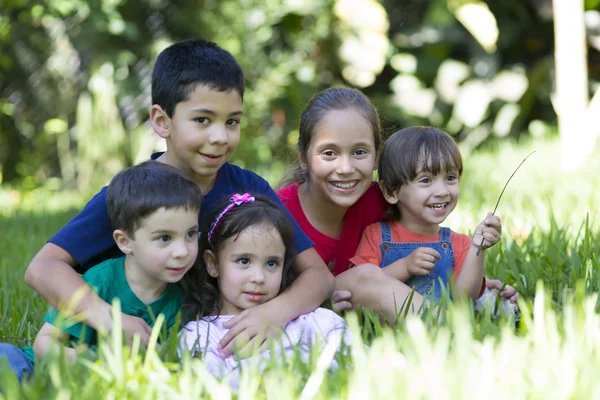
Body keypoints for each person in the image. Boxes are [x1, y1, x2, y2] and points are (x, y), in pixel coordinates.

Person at [24, 39, 334, 358]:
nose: (220, 137)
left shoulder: (249, 190)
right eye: (202, 120)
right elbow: (43, 268)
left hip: (210, 342)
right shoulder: (135, 194)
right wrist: (108, 318)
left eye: (232, 122)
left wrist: (276, 312)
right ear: (162, 121)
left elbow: (318, 275)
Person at [277, 88, 518, 323]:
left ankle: (447, 321)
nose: (346, 168)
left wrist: (480, 283)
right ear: (303, 158)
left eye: (359, 152)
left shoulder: (380, 199)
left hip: (366, 306)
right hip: (302, 308)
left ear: (376, 157)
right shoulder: (276, 213)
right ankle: (448, 327)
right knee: (365, 275)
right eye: (329, 153)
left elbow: (426, 236)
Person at [0, 161, 201, 382]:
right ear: (125, 242)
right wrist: (82, 363)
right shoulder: (101, 280)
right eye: (164, 238)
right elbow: (44, 342)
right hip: (45, 368)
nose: (182, 251)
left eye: (191, 234)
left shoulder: (180, 299)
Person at [179, 194, 348, 389]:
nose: (259, 277)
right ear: (213, 263)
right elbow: (208, 385)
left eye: (271, 263)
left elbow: (356, 363)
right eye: (244, 261)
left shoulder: (311, 320)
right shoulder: (203, 335)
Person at [350, 126, 500, 301]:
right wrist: (404, 267)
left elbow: (464, 299)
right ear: (391, 192)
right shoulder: (375, 236)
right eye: (426, 180)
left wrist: (478, 249)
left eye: (450, 178)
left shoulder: (460, 244)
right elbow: (361, 286)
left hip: (441, 326)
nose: (442, 191)